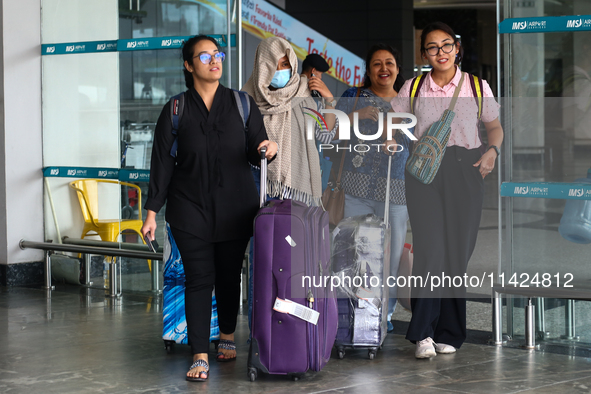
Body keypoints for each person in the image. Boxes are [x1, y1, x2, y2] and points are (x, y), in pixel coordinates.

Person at [141, 35, 277, 382]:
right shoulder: (176, 109)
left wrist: (267, 148)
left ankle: (228, 336)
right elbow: (161, 164)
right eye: (204, 56)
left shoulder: (241, 103)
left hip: (236, 208)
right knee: (199, 278)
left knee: (229, 277)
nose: (215, 60)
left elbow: (253, 150)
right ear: (188, 65)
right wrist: (152, 212)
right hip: (189, 209)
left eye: (217, 54)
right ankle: (199, 353)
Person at [389, 22, 503, 358]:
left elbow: (494, 128)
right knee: (430, 250)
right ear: (424, 54)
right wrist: (390, 138)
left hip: (465, 170)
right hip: (424, 172)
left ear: (457, 49)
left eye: (446, 45)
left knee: (457, 253)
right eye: (432, 47)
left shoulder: (477, 87)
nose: (440, 53)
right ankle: (423, 333)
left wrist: (491, 152)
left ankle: (450, 331)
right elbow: (395, 121)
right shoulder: (413, 87)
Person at [333, 44, 410, 333]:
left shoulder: (408, 101)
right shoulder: (353, 97)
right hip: (356, 189)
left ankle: (384, 312)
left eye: (389, 63)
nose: (383, 69)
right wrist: (357, 116)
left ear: (398, 69)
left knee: (390, 254)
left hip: (397, 191)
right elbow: (330, 131)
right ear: (368, 70)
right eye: (376, 64)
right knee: (354, 251)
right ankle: (355, 310)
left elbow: (419, 140)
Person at [242, 37, 338, 205]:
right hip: (255, 184)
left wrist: (329, 99)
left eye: (285, 64)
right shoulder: (246, 99)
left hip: (297, 187)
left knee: (291, 230)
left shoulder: (304, 95)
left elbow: (325, 136)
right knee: (259, 230)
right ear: (262, 67)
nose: (279, 70)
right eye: (273, 64)